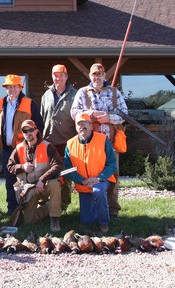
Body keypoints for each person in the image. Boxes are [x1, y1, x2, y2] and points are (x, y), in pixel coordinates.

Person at [70, 63, 128, 218]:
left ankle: (113, 208)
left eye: (100, 74)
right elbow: (74, 113)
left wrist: (109, 118)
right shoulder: (83, 92)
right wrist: (91, 114)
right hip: (90, 144)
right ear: (90, 76)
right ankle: (94, 207)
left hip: (111, 142)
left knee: (112, 175)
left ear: (104, 76)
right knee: (91, 174)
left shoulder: (115, 93)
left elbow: (124, 115)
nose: (97, 77)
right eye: (94, 74)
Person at [0, 74, 44, 215]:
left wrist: (33, 145)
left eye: (14, 86)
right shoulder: (0, 103)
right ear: (5, 88)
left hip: (24, 149)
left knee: (26, 179)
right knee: (10, 180)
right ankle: (12, 209)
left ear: (20, 87)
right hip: (7, 149)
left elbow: (39, 125)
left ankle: (27, 209)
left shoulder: (29, 103)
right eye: (9, 87)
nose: (12, 89)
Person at [64, 112, 117, 233]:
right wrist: (81, 180)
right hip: (83, 183)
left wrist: (99, 178)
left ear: (91, 126)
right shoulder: (70, 144)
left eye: (85, 123)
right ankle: (94, 212)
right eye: (79, 124)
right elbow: (68, 168)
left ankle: (104, 222)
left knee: (98, 191)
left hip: (101, 180)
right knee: (86, 221)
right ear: (76, 127)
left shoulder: (103, 140)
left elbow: (112, 164)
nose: (82, 126)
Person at [7, 120, 64, 232]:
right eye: (25, 131)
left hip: (44, 185)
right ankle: (48, 207)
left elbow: (59, 164)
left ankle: (55, 219)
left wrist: (42, 179)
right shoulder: (19, 148)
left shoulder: (47, 146)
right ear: (22, 133)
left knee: (54, 184)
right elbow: (10, 166)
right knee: (29, 221)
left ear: (36, 131)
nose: (28, 133)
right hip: (28, 188)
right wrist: (22, 167)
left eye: (31, 130)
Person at [40, 64, 78, 211]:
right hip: (49, 143)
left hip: (67, 142)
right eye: (55, 75)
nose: (58, 78)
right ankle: (45, 205)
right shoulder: (46, 95)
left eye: (61, 75)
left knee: (66, 176)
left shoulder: (75, 95)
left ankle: (63, 206)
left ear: (66, 76)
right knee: (47, 175)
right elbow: (43, 118)